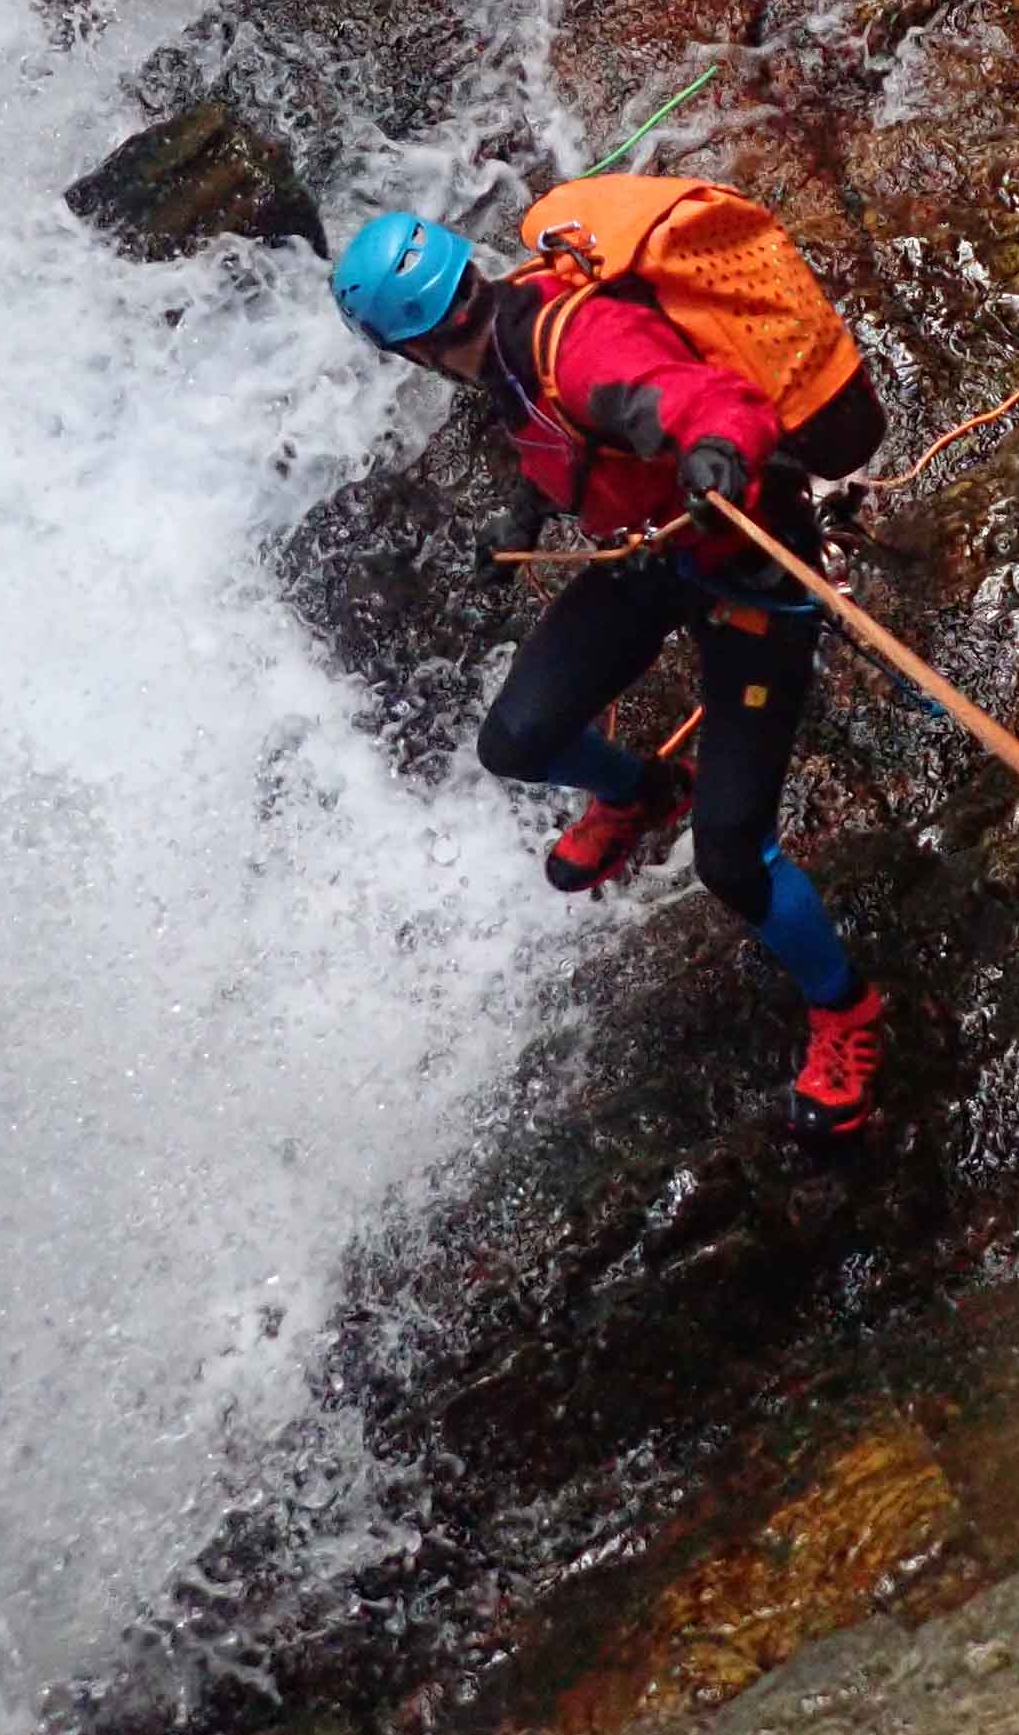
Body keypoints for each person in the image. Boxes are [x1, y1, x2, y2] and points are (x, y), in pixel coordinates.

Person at [329, 206, 889, 1143]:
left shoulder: (577, 342)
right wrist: (524, 520)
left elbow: (709, 405)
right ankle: (644, 793)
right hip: (656, 555)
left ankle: (849, 1013)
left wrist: (715, 456)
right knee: (518, 741)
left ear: (409, 350)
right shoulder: (505, 345)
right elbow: (565, 435)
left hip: (753, 573)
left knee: (731, 858)